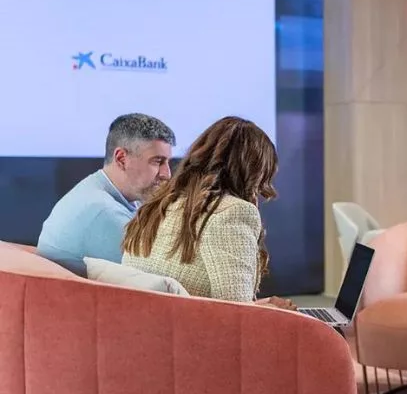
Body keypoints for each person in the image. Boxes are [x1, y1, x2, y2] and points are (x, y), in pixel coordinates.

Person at [121, 116, 295, 310]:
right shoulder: (232, 211)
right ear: (254, 172)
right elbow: (239, 316)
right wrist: (277, 313)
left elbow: (224, 302)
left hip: (146, 323)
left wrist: (264, 306)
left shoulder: (158, 204)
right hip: (193, 327)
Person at [37, 114, 175, 273]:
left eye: (167, 162)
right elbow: (163, 275)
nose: (167, 174)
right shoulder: (102, 211)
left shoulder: (104, 192)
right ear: (121, 159)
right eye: (157, 161)